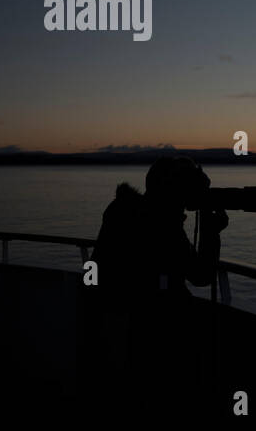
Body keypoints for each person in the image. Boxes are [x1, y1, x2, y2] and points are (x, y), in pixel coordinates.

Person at [88, 156, 228, 414]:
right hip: (154, 329)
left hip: (117, 320)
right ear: (174, 190)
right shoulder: (161, 222)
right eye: (190, 191)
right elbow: (200, 276)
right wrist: (211, 233)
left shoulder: (124, 210)